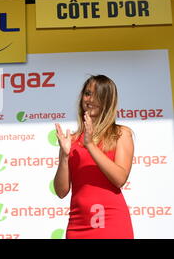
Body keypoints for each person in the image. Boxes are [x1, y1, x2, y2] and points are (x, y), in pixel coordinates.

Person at [53, 75, 134, 238]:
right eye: (88, 93)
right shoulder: (72, 140)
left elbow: (120, 178)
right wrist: (64, 156)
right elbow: (61, 191)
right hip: (78, 224)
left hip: (111, 221)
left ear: (107, 101)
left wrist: (90, 144)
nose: (90, 100)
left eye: (97, 95)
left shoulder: (120, 133)